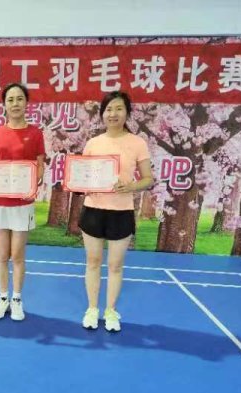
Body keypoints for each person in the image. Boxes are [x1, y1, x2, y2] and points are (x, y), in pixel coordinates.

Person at [80, 91, 153, 332]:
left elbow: (148, 179)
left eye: (119, 108)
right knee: (93, 262)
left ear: (127, 113)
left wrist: (131, 186)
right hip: (93, 210)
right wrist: (81, 185)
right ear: (102, 114)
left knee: (115, 265)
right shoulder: (93, 143)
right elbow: (82, 176)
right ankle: (92, 309)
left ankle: (110, 311)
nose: (113, 114)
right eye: (109, 109)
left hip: (121, 212)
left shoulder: (137, 143)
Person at [0, 83, 45, 321]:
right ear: (4, 104)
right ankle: (3, 298)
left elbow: (39, 166)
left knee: (17, 255)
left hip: (22, 204)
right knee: (2, 255)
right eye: (10, 99)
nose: (15, 104)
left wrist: (34, 182)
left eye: (19, 99)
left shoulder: (36, 133)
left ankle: (17, 299)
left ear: (26, 103)